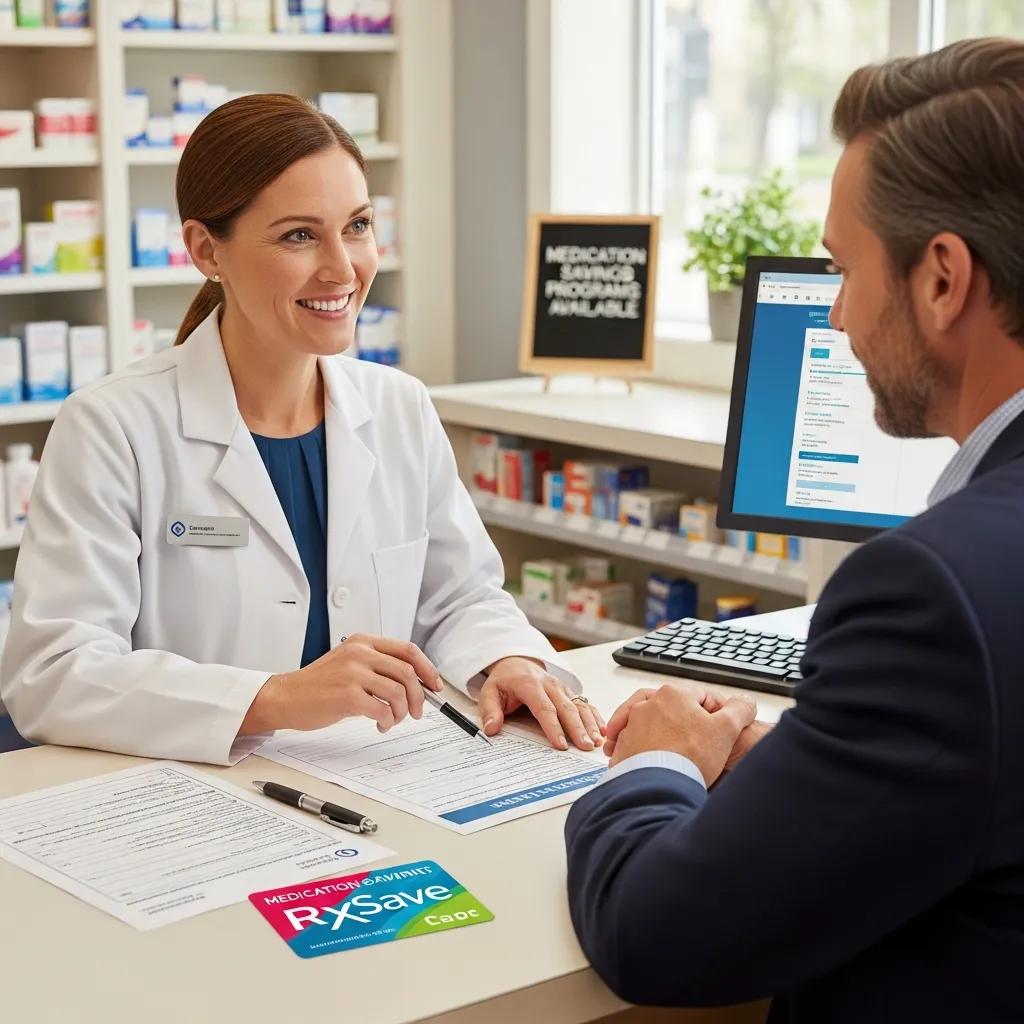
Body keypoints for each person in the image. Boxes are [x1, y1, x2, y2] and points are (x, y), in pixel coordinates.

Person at [565, 38, 1024, 1023]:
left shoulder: (935, 593)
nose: (841, 315)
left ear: (943, 279)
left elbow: (656, 935)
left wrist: (655, 760)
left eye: (843, 269)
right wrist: (816, 761)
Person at [0, 93, 605, 766]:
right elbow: (53, 675)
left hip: (374, 777)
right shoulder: (112, 427)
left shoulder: (400, 407)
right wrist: (276, 698)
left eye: (357, 226)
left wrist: (507, 659)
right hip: (192, 792)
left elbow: (460, 595)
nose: (343, 269)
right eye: (298, 236)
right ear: (206, 250)